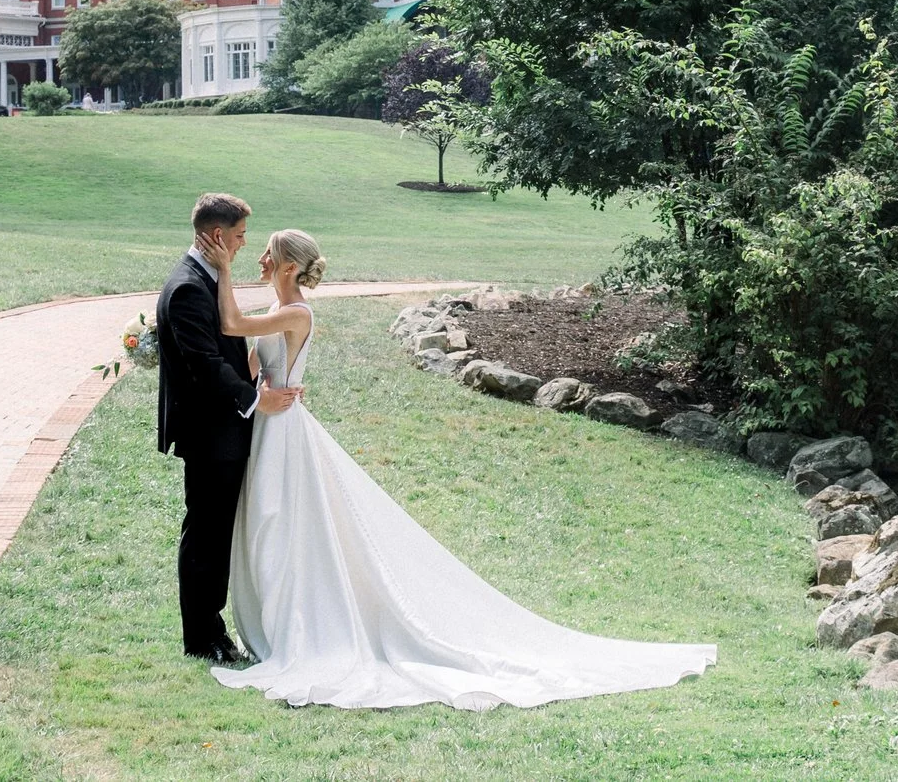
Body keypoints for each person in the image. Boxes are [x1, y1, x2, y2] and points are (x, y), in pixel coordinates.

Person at [206, 225, 717, 710]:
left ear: (289, 265)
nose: (259, 258)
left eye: (267, 252)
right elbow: (254, 367)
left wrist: (222, 267)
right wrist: (257, 392)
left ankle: (303, 626)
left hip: (288, 432)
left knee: (288, 524)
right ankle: (277, 623)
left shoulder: (298, 313)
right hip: (271, 425)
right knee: (271, 525)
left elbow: (231, 323)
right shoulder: (278, 307)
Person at [156, 192, 301, 663]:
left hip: (224, 430)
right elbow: (205, 364)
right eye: (239, 236)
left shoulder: (205, 277)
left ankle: (213, 630)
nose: (243, 245)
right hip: (210, 433)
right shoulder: (188, 287)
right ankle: (202, 638)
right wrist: (257, 398)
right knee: (205, 535)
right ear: (218, 235)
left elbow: (232, 345)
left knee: (215, 534)